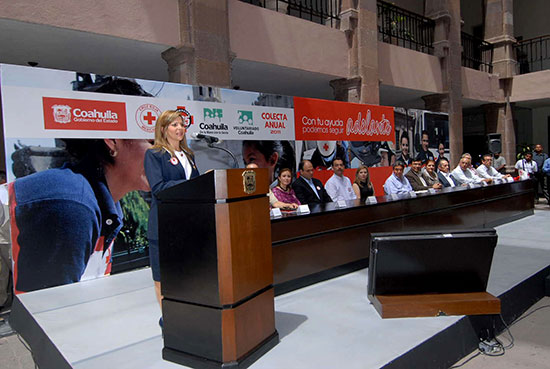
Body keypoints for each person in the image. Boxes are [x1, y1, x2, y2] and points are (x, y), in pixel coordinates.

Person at [10, 138, 152, 293]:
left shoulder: (102, 204)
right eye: (153, 142)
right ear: (112, 142)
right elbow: (47, 311)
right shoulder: (72, 206)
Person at [144, 109, 200, 308]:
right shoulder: (154, 154)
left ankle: (186, 314)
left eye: (182, 124)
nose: (180, 128)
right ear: (163, 129)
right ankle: (167, 318)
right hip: (163, 224)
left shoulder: (189, 155)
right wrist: (190, 185)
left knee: (185, 273)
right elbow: (158, 188)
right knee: (162, 277)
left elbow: (197, 186)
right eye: (174, 124)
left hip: (187, 224)